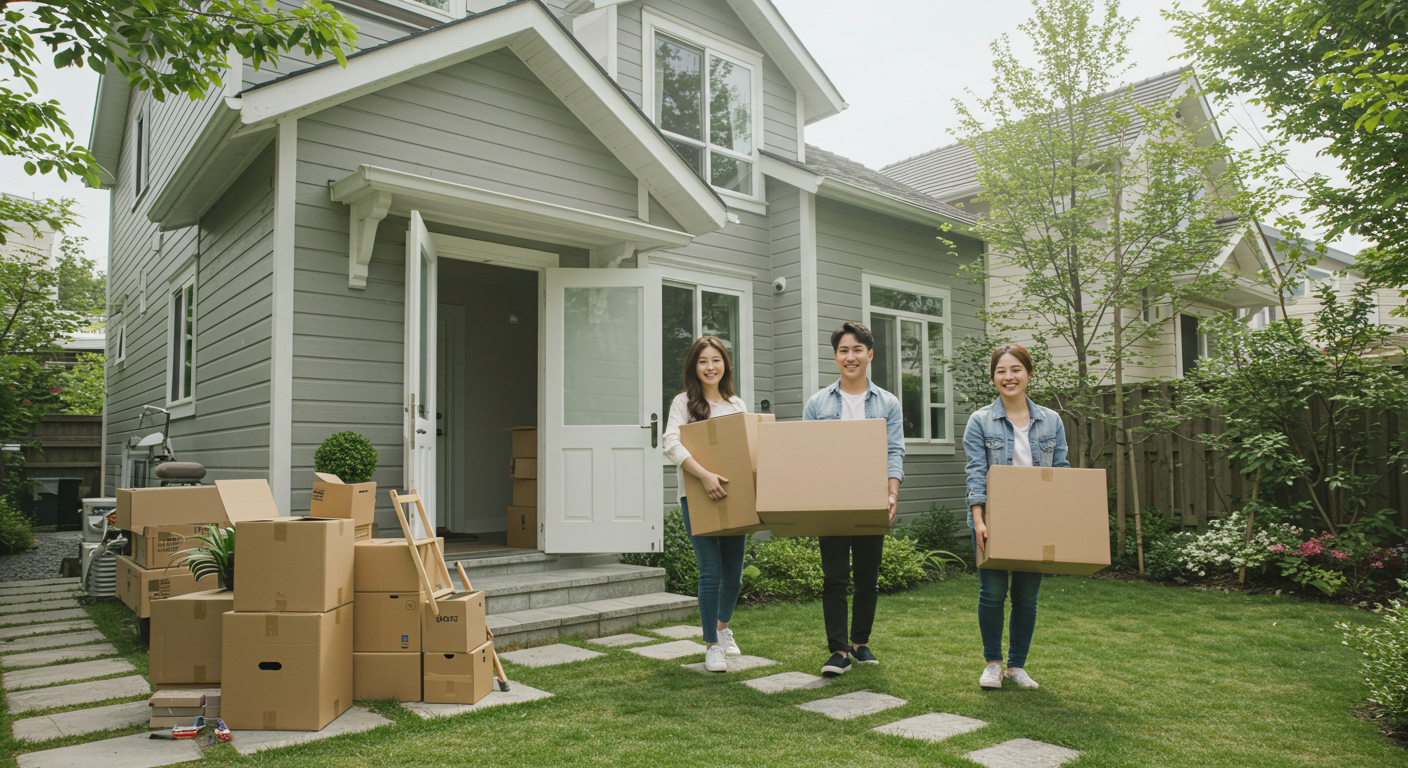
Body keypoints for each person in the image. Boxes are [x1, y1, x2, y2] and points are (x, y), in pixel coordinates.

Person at [962, 343, 1070, 690]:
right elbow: (976, 474)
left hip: (1035, 521)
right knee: (992, 594)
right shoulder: (980, 420)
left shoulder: (1051, 420)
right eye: (1001, 371)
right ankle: (993, 662)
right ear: (993, 378)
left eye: (1015, 370)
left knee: (1026, 597)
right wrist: (979, 520)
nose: (1008, 377)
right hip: (993, 519)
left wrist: (1058, 519)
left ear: (1029, 373)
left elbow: (1062, 473)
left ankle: (1017, 666)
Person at [802, 321, 905, 678]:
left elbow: (894, 451)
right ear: (835, 357)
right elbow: (808, 455)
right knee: (834, 578)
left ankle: (860, 642)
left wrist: (892, 493)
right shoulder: (818, 403)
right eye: (844, 351)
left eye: (857, 350)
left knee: (867, 576)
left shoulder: (887, 403)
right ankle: (839, 650)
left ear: (869, 354)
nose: (851, 357)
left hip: (871, 496)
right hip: (830, 499)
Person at [662, 336, 749, 673]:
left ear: (725, 364)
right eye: (702, 361)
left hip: (735, 497)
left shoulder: (736, 404)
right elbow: (671, 442)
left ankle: (723, 628)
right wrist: (704, 476)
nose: (710, 367)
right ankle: (711, 645)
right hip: (696, 496)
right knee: (711, 572)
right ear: (693, 367)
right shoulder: (683, 403)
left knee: (734, 576)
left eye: (716, 360)